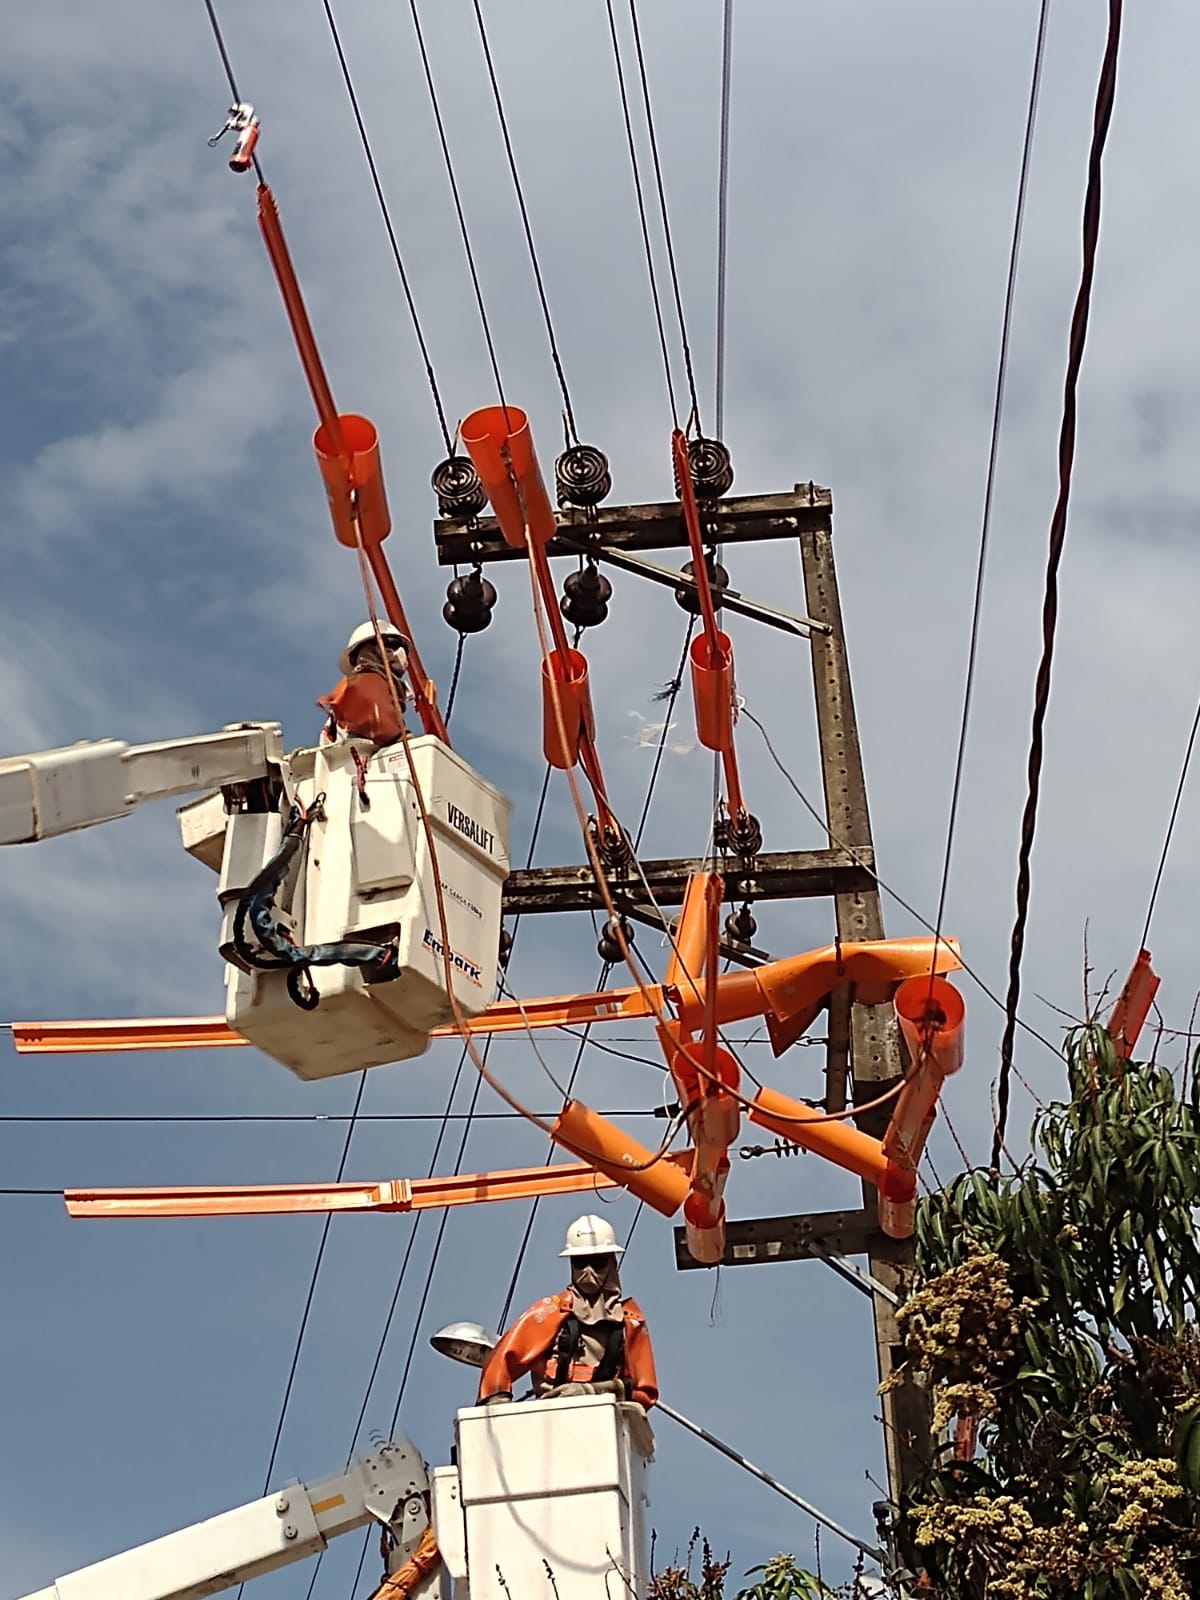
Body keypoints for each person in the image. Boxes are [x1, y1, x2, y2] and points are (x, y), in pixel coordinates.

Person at [476, 1215, 658, 1411]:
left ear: (611, 1264)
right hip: (554, 1416)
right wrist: (495, 1407)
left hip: (604, 1419)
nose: (588, 1272)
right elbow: (501, 1360)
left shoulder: (630, 1322)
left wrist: (591, 1391)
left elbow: (644, 1392)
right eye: (580, 1263)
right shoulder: (551, 1312)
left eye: (597, 1264)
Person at [318, 621, 411, 747]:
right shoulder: (366, 682)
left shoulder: (373, 684)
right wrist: (401, 739)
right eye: (392, 643)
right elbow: (377, 724)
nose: (400, 652)